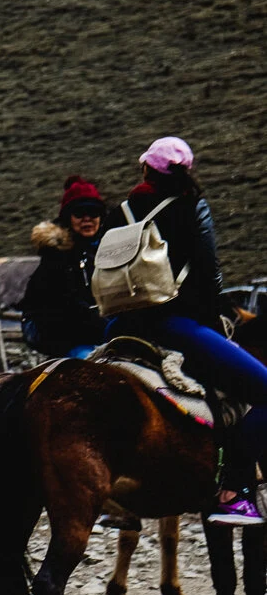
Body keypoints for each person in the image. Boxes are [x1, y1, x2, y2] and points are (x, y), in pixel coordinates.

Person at [101, 137, 267, 526]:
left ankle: (113, 495)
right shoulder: (192, 207)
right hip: (175, 326)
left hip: (119, 324)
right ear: (185, 172)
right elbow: (209, 275)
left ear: (145, 169)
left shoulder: (120, 212)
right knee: (262, 390)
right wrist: (212, 325)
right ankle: (232, 493)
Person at [18, 176, 108, 359]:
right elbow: (62, 308)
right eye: (80, 213)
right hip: (55, 329)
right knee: (90, 365)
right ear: (68, 217)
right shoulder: (56, 256)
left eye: (94, 212)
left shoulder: (105, 249)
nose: (87, 219)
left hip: (91, 328)